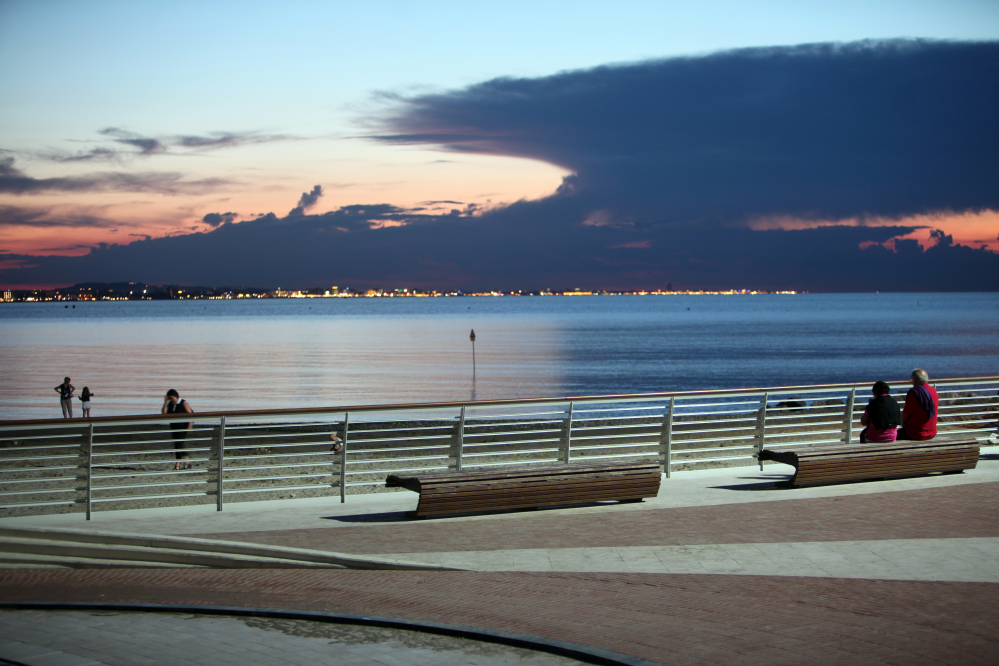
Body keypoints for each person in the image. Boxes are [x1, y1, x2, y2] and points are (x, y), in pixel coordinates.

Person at [897, 368, 938, 441]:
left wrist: (903, 424)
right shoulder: (933, 391)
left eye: (912, 379)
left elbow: (906, 414)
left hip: (916, 433)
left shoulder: (915, 393)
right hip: (932, 432)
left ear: (915, 380)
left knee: (891, 435)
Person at [163, 389, 194, 470]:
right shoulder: (171, 404)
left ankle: (177, 464)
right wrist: (165, 402)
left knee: (178, 444)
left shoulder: (183, 403)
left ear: (176, 396)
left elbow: (190, 414)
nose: (170, 400)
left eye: (171, 398)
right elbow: (163, 413)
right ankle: (187, 461)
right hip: (174, 427)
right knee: (180, 444)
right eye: (169, 398)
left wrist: (189, 426)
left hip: (182, 426)